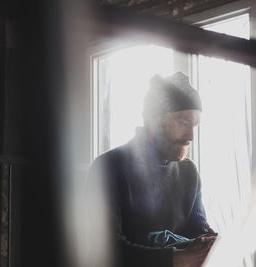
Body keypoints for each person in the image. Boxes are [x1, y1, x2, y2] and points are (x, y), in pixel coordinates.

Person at [88, 72, 217, 267]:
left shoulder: (188, 172)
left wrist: (208, 243)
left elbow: (197, 232)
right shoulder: (108, 167)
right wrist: (175, 259)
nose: (191, 135)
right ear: (155, 120)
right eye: (183, 123)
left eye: (194, 125)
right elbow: (105, 250)